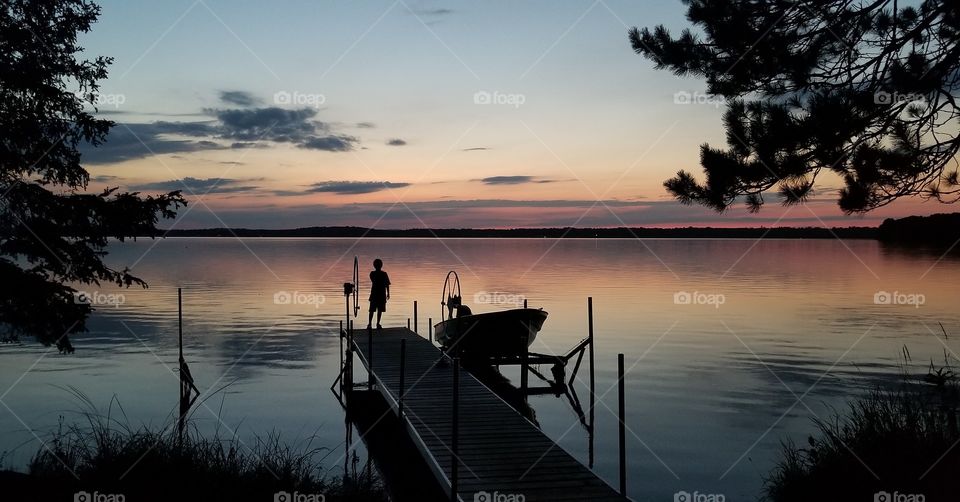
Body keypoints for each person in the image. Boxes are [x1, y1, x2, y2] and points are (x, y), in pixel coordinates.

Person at [367, 258, 390, 330]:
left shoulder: (372, 273)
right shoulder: (383, 274)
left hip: (375, 293)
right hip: (381, 294)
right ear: (381, 265)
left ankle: (370, 324)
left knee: (372, 310)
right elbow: (387, 284)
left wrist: (388, 293)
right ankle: (376, 323)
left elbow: (386, 284)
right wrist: (388, 293)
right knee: (378, 310)